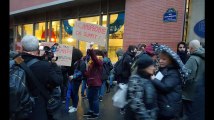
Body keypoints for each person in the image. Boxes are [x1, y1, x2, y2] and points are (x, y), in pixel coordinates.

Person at [20, 35, 63, 120]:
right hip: (37, 109)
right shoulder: (45, 66)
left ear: (22, 47)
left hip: (18, 108)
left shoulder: (15, 62)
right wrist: (54, 64)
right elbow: (58, 80)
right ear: (38, 48)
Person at [150, 45, 190, 120]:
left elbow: (165, 87)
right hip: (163, 105)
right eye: (160, 59)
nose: (161, 61)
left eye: (164, 59)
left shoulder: (173, 72)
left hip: (169, 107)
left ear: (170, 60)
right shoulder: (163, 70)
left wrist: (153, 78)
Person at [125, 54, 158, 120]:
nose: (154, 68)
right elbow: (137, 105)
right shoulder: (135, 80)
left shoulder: (149, 78)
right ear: (144, 67)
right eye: (151, 66)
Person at [182, 40, 205, 120]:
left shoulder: (193, 58)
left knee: (188, 114)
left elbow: (186, 75)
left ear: (191, 48)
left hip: (189, 93)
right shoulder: (203, 56)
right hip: (199, 92)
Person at [116, 45, 137, 114]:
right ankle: (123, 108)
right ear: (131, 50)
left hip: (123, 78)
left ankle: (123, 107)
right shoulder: (128, 57)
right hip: (125, 78)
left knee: (124, 93)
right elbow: (131, 67)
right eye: (135, 49)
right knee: (124, 93)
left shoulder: (127, 55)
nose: (136, 51)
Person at [83, 46, 103, 119]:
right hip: (91, 82)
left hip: (95, 83)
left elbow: (95, 59)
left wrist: (91, 51)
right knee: (90, 98)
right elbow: (89, 73)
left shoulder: (99, 61)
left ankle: (96, 113)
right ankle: (91, 111)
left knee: (94, 99)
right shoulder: (92, 63)